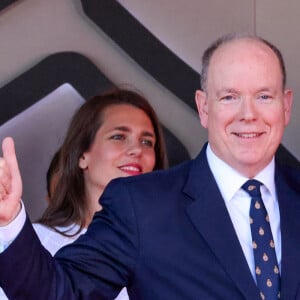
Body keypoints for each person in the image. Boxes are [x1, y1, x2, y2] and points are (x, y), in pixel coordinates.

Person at [0, 33, 299, 299]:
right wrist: (10, 219)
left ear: (285, 106)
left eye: (263, 96)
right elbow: (60, 293)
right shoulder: (139, 205)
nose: (248, 114)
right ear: (204, 108)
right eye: (230, 97)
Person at [0, 88, 167, 300]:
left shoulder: (172, 249)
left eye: (147, 142)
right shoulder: (32, 242)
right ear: (82, 156)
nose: (137, 149)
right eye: (118, 136)